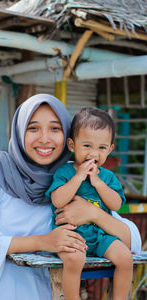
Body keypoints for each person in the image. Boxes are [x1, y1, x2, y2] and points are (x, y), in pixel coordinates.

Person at [0, 95, 141, 300]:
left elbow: (131, 240)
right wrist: (43, 242)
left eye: (55, 129)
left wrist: (93, 213)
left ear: (67, 138)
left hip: (45, 291)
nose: (44, 138)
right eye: (33, 128)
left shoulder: (78, 177)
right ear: (19, 131)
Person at [46, 107, 134, 300]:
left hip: (101, 235)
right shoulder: (65, 173)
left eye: (102, 148)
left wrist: (98, 183)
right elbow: (57, 200)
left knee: (125, 258)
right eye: (87, 146)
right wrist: (78, 177)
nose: (94, 153)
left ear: (110, 149)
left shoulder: (107, 177)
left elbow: (116, 204)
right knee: (74, 260)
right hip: (72, 236)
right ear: (72, 145)